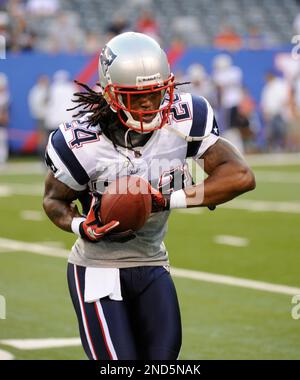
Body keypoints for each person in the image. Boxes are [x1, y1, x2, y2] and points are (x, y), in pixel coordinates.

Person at [42, 32, 255, 360]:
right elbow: (54, 201)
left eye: (156, 94)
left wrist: (169, 199)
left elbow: (240, 175)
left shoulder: (183, 119)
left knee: (164, 361)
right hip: (98, 267)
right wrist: (81, 225)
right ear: (111, 94)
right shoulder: (82, 142)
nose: (148, 104)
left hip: (153, 260)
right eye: (136, 96)